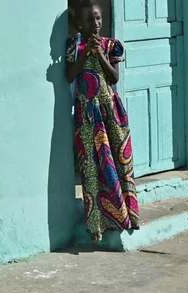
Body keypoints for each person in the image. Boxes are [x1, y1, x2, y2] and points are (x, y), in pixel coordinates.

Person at [65, 0, 140, 243]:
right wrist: (86, 52)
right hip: (88, 116)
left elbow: (114, 76)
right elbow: (69, 76)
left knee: (118, 162)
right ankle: (96, 223)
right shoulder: (75, 47)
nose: (95, 24)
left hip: (110, 112)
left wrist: (99, 53)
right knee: (91, 167)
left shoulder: (110, 46)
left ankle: (129, 215)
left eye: (98, 19)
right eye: (90, 20)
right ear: (80, 24)